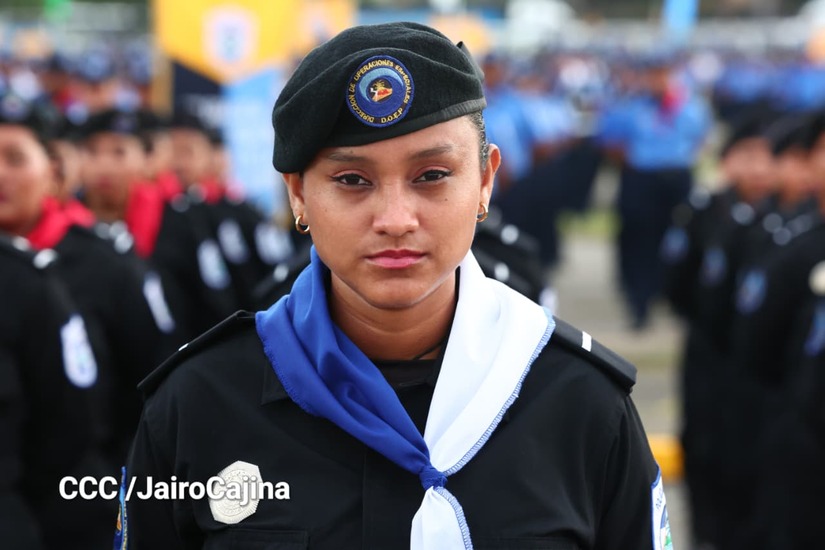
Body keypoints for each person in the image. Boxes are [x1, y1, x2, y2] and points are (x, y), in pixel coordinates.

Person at [120, 22, 668, 550]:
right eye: (352, 180)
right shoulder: (198, 405)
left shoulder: (580, 403)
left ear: (484, 181)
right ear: (298, 196)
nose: (396, 218)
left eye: (431, 176)